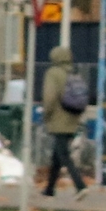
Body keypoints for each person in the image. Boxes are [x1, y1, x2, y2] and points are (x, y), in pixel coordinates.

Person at [39, 43, 87, 198]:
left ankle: (80, 186)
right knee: (57, 156)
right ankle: (49, 189)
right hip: (73, 117)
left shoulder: (53, 73)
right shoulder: (73, 72)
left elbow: (50, 97)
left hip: (58, 119)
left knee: (63, 155)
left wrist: (46, 114)